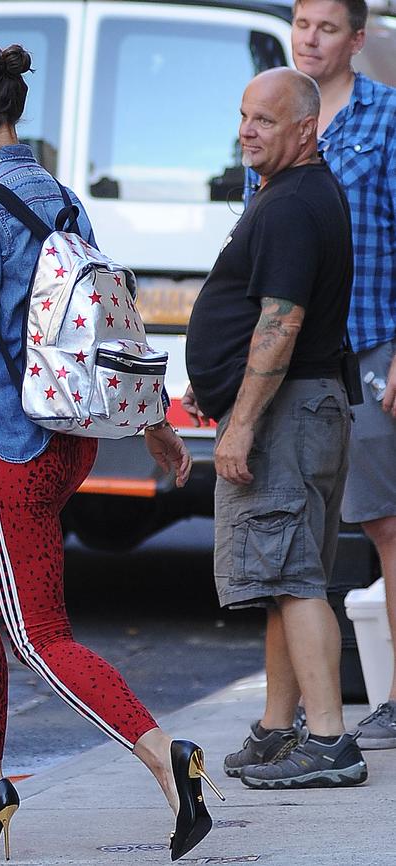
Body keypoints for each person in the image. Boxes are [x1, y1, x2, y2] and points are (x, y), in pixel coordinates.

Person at [0, 44, 222, 862]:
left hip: (16, 447)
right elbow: (109, 320)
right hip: (70, 439)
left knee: (39, 632)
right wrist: (151, 418)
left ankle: (167, 758)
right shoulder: (57, 193)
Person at [183, 66, 368, 789]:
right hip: (306, 407)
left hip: (287, 416)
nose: (246, 129)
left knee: (292, 580)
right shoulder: (298, 194)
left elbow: (282, 321)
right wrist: (216, 383)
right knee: (290, 578)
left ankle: (328, 743)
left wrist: (240, 426)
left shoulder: (292, 203)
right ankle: (276, 726)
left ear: (304, 129)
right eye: (242, 115)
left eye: (263, 119)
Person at [291, 0, 396, 751]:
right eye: (301, 23)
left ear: (358, 39)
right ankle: (298, 708)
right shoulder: (281, 111)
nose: (310, 39)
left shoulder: (386, 119)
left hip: (370, 350)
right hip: (296, 359)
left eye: (327, 27)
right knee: (302, 532)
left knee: (386, 525)